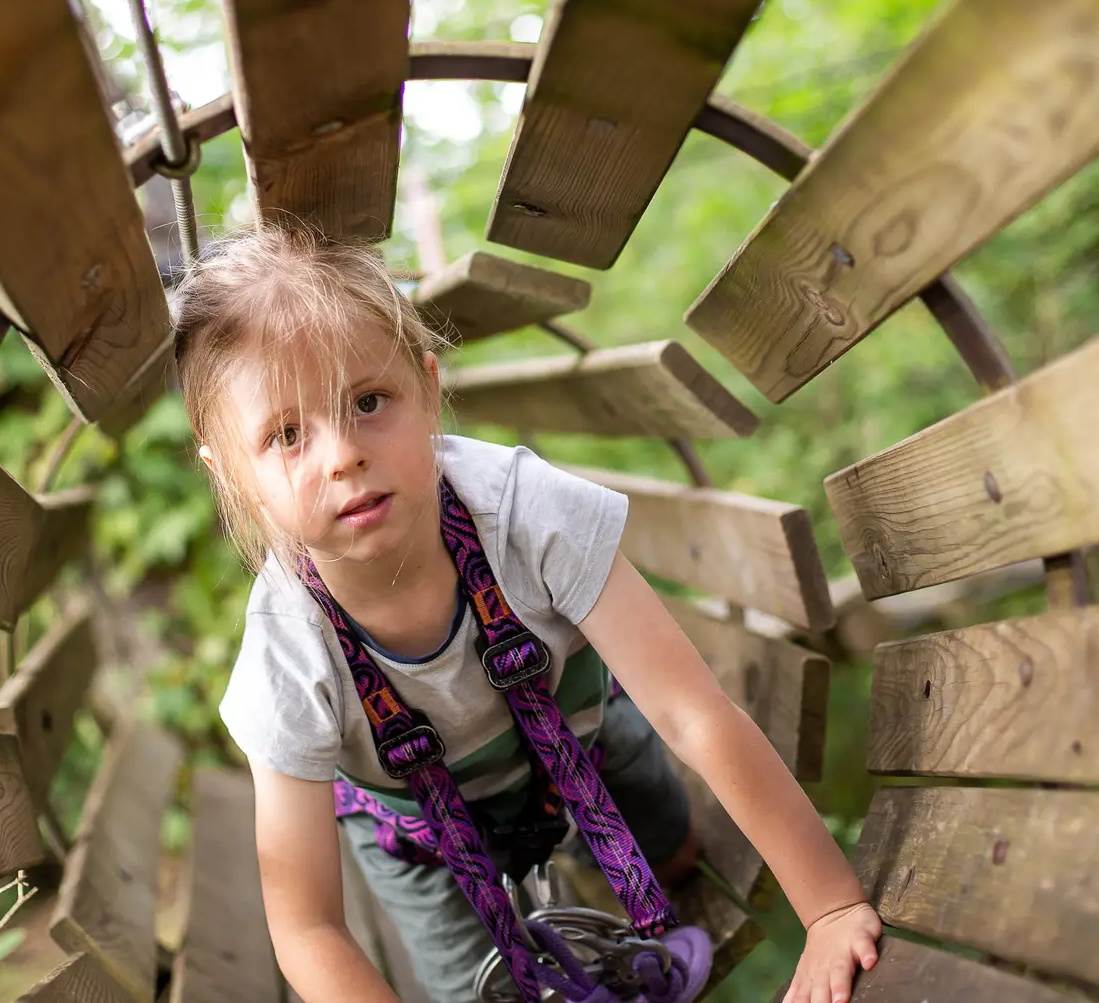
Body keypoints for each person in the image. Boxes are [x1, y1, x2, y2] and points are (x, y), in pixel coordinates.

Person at [174, 227, 880, 1003]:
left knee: (678, 855)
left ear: (428, 389)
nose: (342, 455)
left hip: (580, 740)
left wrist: (830, 907)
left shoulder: (525, 512)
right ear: (231, 472)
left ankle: (650, 876)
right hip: (417, 836)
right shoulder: (287, 654)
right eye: (286, 435)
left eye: (369, 402)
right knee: (476, 995)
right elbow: (307, 925)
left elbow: (692, 713)